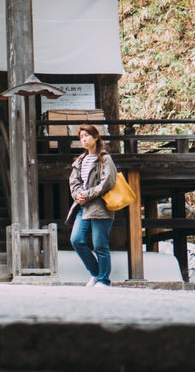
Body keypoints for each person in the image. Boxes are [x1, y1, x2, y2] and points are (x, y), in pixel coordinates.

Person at [69, 123, 117, 287]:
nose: (84, 139)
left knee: (100, 245)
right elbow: (73, 182)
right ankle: (96, 273)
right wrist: (77, 195)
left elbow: (107, 183)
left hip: (100, 207)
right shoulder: (79, 161)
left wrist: (87, 195)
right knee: (76, 240)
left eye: (87, 135)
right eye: (81, 137)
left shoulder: (105, 158)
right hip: (83, 206)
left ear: (96, 137)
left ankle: (104, 280)